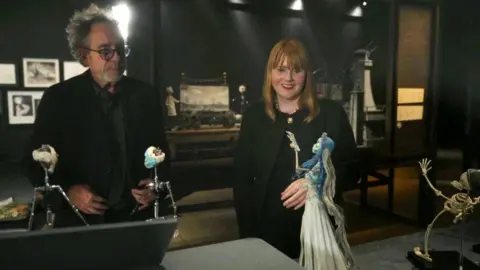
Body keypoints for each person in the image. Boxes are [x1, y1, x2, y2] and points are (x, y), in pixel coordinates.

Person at [24, 4, 170, 228]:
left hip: (136, 219)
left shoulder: (145, 96)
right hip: (79, 221)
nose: (116, 58)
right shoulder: (59, 98)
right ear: (84, 57)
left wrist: (155, 186)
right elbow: (33, 163)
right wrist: (69, 191)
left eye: (120, 49)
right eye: (105, 51)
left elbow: (162, 153)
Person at [233, 38, 359, 259]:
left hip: (319, 235)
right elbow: (241, 182)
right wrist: (247, 237)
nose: (288, 78)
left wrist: (316, 182)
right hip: (266, 233)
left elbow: (353, 170)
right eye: (281, 69)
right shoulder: (254, 116)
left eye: (296, 70)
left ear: (307, 74)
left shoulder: (331, 114)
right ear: (270, 73)